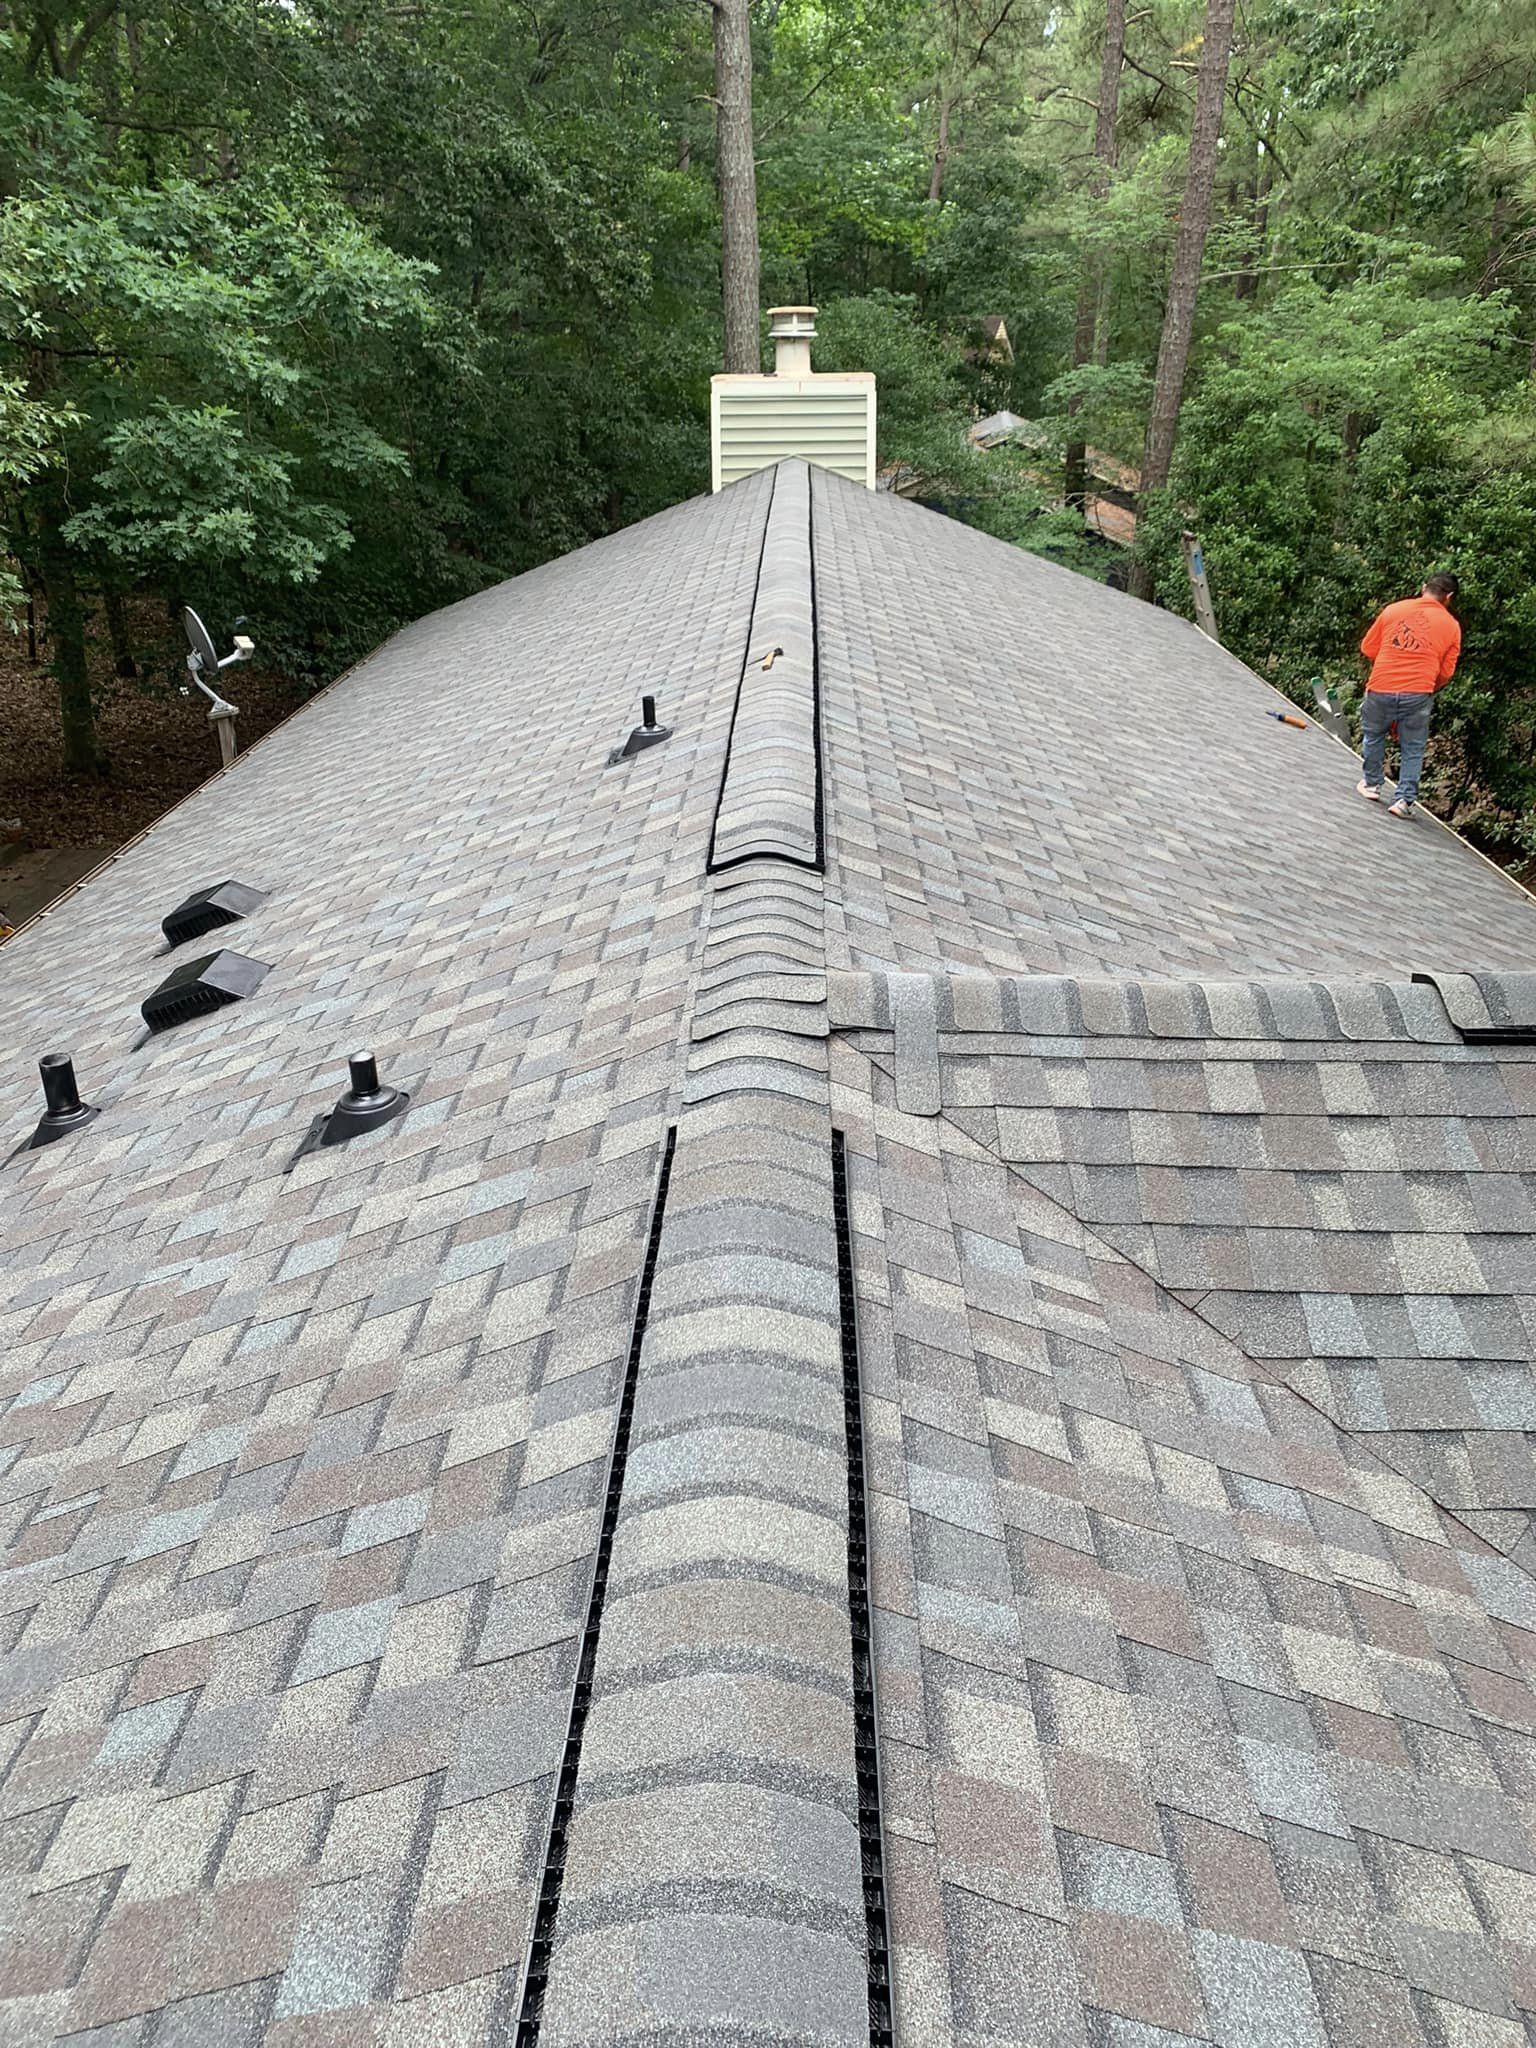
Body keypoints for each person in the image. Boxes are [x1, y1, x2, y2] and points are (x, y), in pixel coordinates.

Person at [1356, 572, 1461, 818]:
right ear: (1449, 597)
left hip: (1382, 683)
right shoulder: (1452, 627)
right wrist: (1424, 683)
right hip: (1419, 691)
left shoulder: (1394, 610)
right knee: (1413, 747)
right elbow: (1446, 673)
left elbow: (1368, 647)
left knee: (1373, 735)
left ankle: (1371, 784)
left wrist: (1392, 660)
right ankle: (1403, 800)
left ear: (1423, 587)